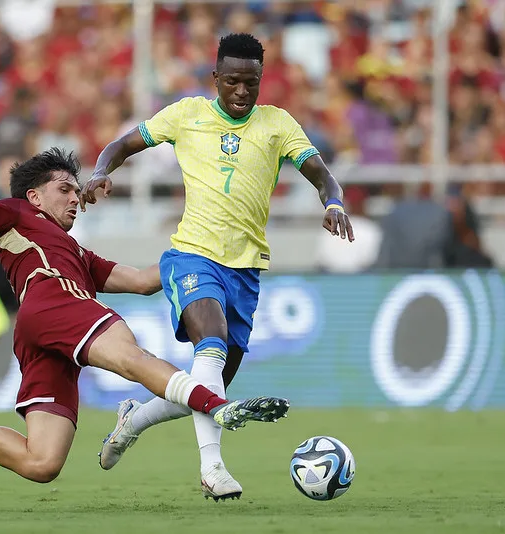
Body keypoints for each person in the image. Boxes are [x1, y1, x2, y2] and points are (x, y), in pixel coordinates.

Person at [0, 147, 289, 485]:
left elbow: (144, 281)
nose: (76, 198)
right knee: (131, 358)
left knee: (42, 463)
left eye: (76, 191)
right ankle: (217, 406)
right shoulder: (15, 212)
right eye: (65, 189)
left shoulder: (77, 254)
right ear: (34, 196)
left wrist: (194, 249)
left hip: (38, 333)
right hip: (53, 304)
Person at [81, 33, 354, 501]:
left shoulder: (278, 124)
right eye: (232, 82)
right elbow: (123, 144)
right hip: (192, 255)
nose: (242, 92)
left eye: (251, 83)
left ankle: (134, 418)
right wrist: (101, 171)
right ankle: (214, 470)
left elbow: (321, 173)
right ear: (216, 80)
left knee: (206, 393)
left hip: (245, 271)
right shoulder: (186, 114)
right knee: (210, 345)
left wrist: (333, 202)